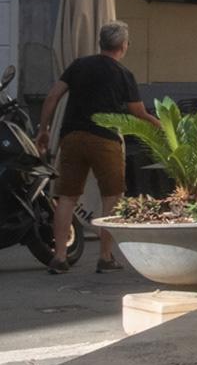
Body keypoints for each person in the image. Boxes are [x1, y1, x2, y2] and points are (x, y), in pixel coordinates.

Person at [37, 21, 158, 266]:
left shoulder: (78, 65)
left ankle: (59, 256)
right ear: (123, 45)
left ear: (100, 43)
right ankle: (105, 257)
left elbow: (52, 96)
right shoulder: (123, 74)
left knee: (66, 198)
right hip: (105, 139)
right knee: (111, 197)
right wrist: (161, 125)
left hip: (72, 137)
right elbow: (137, 113)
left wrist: (43, 130)